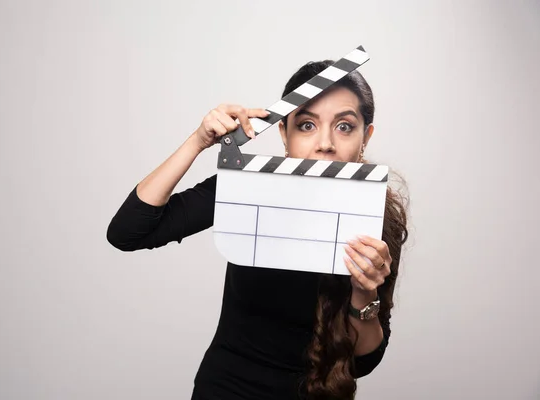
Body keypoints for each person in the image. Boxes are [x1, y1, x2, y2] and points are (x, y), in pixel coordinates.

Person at [106, 60, 409, 400]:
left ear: (365, 136)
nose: (325, 143)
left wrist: (364, 292)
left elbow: (363, 362)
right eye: (307, 124)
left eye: (344, 126)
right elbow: (127, 232)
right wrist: (197, 142)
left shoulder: (377, 219)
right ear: (284, 133)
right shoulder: (248, 191)